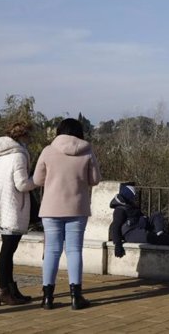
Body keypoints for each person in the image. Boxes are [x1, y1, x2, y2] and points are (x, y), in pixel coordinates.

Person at [33, 118, 101, 310]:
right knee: (74, 251)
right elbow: (95, 179)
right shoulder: (87, 151)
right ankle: (76, 297)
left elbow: (38, 179)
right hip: (77, 208)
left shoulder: (48, 151)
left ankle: (47, 297)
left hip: (51, 208)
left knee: (52, 251)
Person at [0, 120, 37, 306]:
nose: (30, 139)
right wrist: (38, 180)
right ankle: (3, 291)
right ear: (22, 136)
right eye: (29, 135)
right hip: (12, 207)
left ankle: (10, 289)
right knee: (7, 252)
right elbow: (22, 184)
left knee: (7, 251)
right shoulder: (18, 155)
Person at [109, 183, 169, 258]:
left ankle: (161, 234)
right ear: (128, 196)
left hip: (141, 224)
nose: (134, 198)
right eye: (133, 197)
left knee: (157, 215)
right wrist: (117, 244)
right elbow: (116, 226)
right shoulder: (120, 210)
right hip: (131, 232)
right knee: (150, 237)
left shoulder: (130, 205)